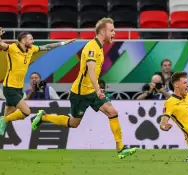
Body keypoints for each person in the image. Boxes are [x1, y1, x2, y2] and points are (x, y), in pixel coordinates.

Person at [31, 18, 137, 159]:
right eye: (111, 30)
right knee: (74, 123)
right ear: (103, 31)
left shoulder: (99, 47)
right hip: (80, 93)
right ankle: (43, 117)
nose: (114, 33)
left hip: (91, 91)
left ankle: (120, 148)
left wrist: (96, 89)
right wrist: (98, 89)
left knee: (112, 112)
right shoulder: (92, 47)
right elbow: (91, 70)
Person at [0, 28, 74, 135]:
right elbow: (2, 44)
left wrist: (63, 43)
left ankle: (4, 120)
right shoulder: (12, 48)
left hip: (19, 88)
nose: (33, 41)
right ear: (23, 40)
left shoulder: (31, 49)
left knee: (8, 116)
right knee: (26, 112)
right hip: (9, 87)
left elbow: (47, 47)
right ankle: (4, 120)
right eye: (31, 39)